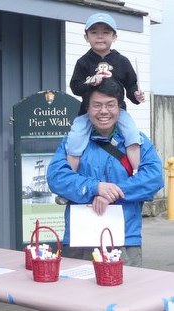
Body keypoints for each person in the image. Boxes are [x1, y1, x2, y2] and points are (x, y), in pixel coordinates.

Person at [47, 78, 163, 267]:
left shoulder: (137, 142)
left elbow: (153, 177)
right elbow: (56, 177)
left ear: (119, 107)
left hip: (125, 239)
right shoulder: (73, 142)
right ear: (87, 108)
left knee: (126, 294)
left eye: (110, 105)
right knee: (78, 295)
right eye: (97, 105)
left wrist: (113, 192)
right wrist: (95, 187)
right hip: (80, 239)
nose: (103, 111)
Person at [67, 12, 145, 177]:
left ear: (114, 36)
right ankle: (70, 178)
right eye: (94, 32)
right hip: (89, 111)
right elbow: (75, 87)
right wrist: (90, 82)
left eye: (106, 32)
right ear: (86, 37)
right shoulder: (83, 62)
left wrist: (136, 95)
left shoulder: (122, 61)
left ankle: (137, 175)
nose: (100, 36)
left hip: (118, 110)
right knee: (74, 139)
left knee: (132, 135)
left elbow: (131, 85)